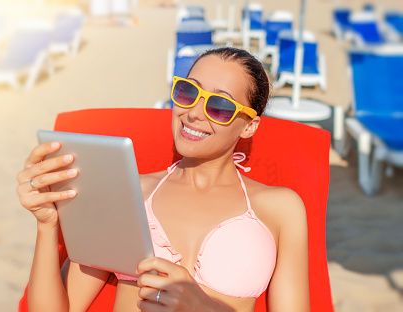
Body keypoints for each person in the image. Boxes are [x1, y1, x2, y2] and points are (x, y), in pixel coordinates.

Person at [16, 47, 310, 312]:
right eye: (188, 92)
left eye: (219, 106)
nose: (193, 113)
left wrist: (202, 308)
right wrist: (47, 225)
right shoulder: (128, 193)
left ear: (249, 127)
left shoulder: (280, 208)